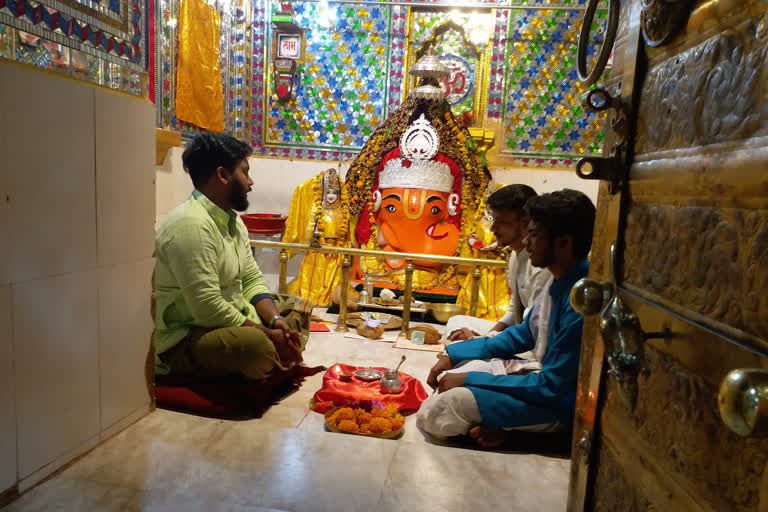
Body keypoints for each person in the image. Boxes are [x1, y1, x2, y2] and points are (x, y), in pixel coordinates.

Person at [417, 189, 596, 448]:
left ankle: (531, 436)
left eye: (534, 234)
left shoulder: (580, 298)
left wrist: (469, 380)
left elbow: (550, 387)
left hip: (560, 404)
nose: (527, 242)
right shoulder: (559, 281)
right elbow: (524, 333)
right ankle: (502, 425)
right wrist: (454, 354)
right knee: (460, 375)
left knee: (440, 409)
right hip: (543, 387)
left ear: (564, 243)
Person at [153, 133, 308, 379]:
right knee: (256, 347)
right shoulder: (190, 225)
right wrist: (266, 334)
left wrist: (276, 321)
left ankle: (273, 354)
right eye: (244, 172)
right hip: (189, 334)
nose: (250, 182)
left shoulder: (233, 221)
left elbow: (251, 280)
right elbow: (208, 308)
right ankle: (270, 355)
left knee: (296, 311)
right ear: (223, 175)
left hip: (231, 315)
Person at [447, 184, 552, 341]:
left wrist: (483, 342)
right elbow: (513, 310)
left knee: (468, 356)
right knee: (457, 321)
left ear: (525, 222)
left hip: (532, 343)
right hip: (520, 331)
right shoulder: (516, 256)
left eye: (500, 222)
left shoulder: (541, 262)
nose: (492, 229)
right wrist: (487, 337)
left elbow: (533, 328)